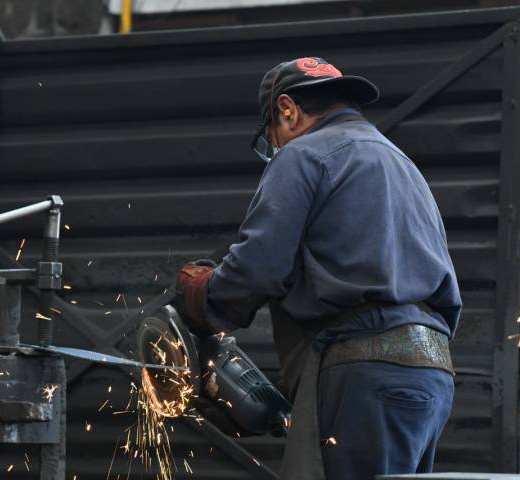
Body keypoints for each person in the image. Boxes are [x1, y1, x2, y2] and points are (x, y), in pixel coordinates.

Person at [173, 57, 461, 480]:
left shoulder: (303, 155)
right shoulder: (401, 162)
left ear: (287, 109)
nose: (275, 147)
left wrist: (204, 300)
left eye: (270, 135)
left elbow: (259, 268)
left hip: (361, 373)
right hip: (432, 377)